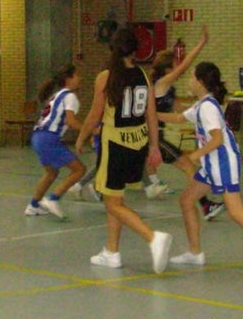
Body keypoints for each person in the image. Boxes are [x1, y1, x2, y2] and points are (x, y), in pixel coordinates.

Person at [158, 62, 243, 280]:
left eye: (192, 77)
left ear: (200, 82)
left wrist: (194, 155)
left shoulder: (208, 108)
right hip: (211, 164)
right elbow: (179, 118)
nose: (189, 81)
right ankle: (194, 253)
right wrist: (150, 115)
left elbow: (218, 139)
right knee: (186, 200)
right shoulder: (202, 104)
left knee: (237, 213)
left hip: (223, 162)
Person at [74, 27, 172, 273]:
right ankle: (112, 251)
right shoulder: (143, 75)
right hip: (137, 143)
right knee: (115, 196)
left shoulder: (106, 77)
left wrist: (81, 136)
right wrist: (153, 145)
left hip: (115, 144)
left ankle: (152, 237)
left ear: (112, 49)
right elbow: (151, 113)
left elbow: (95, 114)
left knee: (113, 202)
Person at [144, 25, 224, 219]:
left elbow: (180, 112)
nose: (178, 68)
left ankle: (150, 183)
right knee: (188, 165)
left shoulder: (167, 90)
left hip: (156, 135)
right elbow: (186, 66)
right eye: (175, 65)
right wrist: (201, 44)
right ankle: (205, 205)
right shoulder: (161, 83)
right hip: (154, 137)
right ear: (169, 69)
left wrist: (201, 113)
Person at [25, 64, 86, 220]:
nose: (80, 78)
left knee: (51, 173)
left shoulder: (57, 95)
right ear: (68, 79)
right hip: (48, 138)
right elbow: (71, 122)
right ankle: (53, 199)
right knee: (79, 169)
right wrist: (90, 130)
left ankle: (33, 205)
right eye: (77, 75)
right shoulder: (70, 97)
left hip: (37, 136)